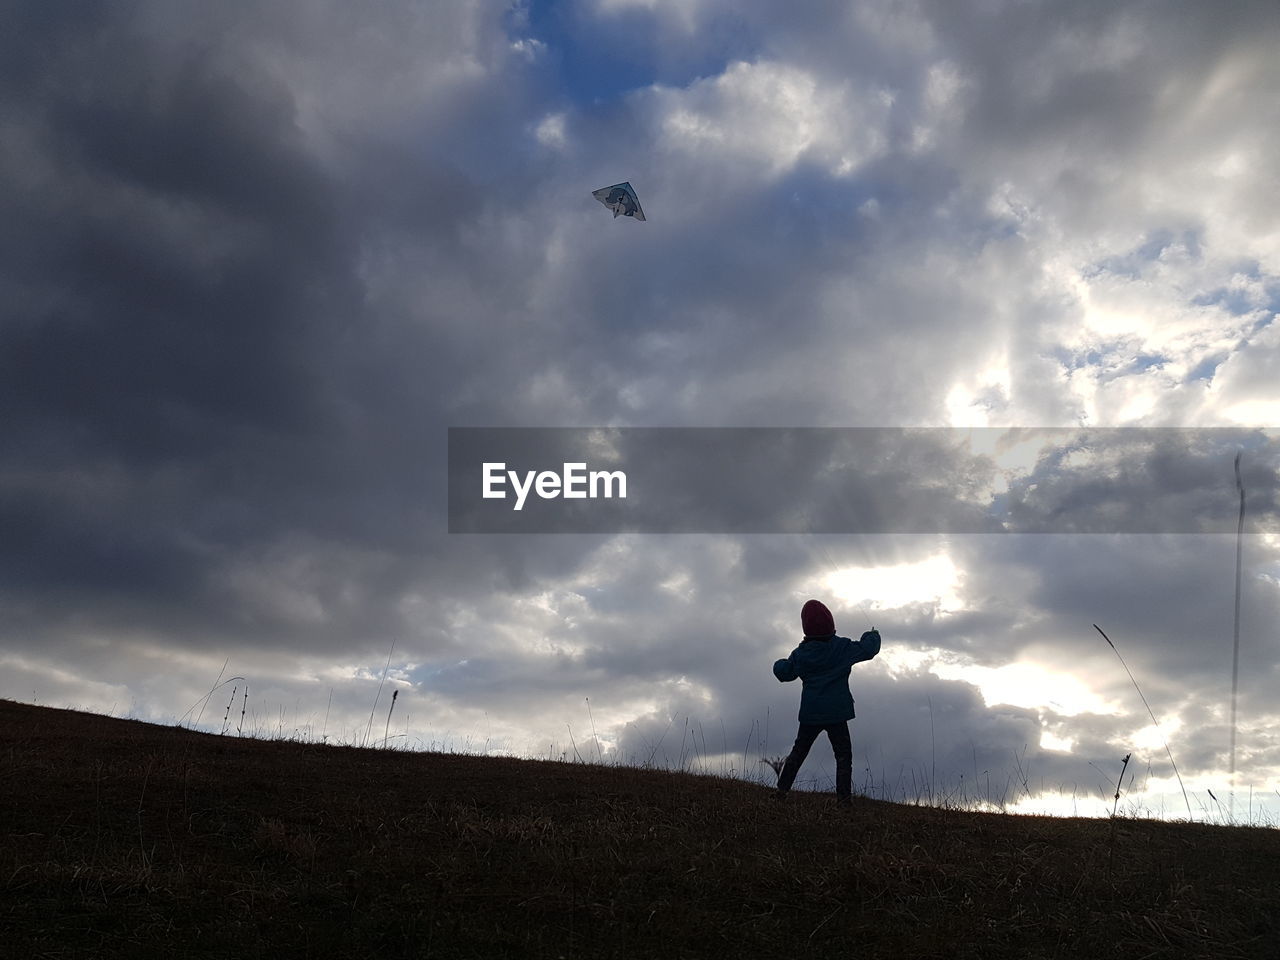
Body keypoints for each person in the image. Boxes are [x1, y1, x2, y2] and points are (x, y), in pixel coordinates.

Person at [772, 599, 881, 804]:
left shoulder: (801, 654)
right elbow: (868, 649)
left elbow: (784, 673)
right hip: (837, 713)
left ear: (806, 627)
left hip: (810, 714)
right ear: (830, 623)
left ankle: (781, 792)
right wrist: (872, 635)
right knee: (843, 756)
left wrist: (778, 664)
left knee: (799, 752)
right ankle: (843, 801)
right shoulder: (842, 647)